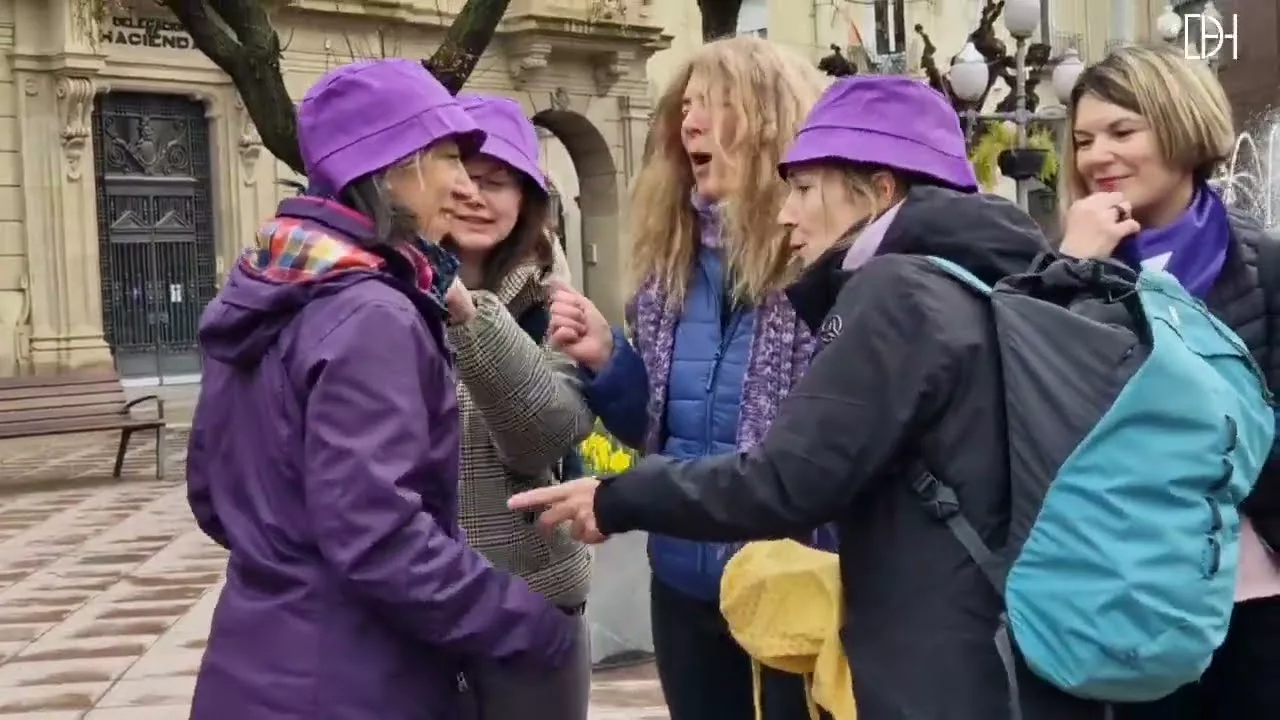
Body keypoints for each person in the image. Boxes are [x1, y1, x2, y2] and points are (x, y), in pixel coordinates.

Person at [516, 76, 1104, 719]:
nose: (787, 211)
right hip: (1010, 642)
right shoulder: (984, 277)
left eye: (802, 189)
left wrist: (617, 496)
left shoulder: (897, 293)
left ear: (880, 189)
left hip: (941, 663)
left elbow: (788, 478)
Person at [184, 59, 578, 720]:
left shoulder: (272, 283)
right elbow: (379, 538)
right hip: (351, 680)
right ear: (395, 163)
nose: (461, 183)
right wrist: (526, 622)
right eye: (450, 156)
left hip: (255, 660)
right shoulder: (372, 313)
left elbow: (211, 496)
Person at [545, 35, 828, 720]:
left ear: (771, 121)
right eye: (686, 107)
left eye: (715, 105)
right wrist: (609, 362)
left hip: (795, 583)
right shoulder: (669, 262)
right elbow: (655, 432)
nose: (689, 123)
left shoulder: (826, 263)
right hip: (682, 584)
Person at [1053, 44, 1280, 720]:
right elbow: (1038, 402)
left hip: (1252, 590)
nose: (1098, 156)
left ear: (1181, 126)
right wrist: (1069, 271)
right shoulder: (1065, 266)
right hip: (1124, 592)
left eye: (1123, 132)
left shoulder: (1263, 265)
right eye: (1085, 139)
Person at [444, 92, 594, 720]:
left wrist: (466, 314)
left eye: (497, 182)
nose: (475, 195)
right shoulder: (381, 294)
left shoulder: (553, 303)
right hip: (405, 599)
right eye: (461, 177)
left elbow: (541, 437)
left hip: (527, 599)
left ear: (527, 199)